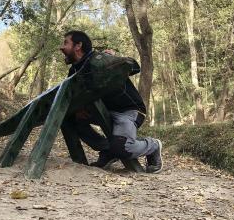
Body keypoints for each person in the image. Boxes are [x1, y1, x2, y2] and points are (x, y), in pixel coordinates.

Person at [59, 30, 163, 173]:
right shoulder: (73, 71)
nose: (62, 47)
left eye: (66, 43)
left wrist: (113, 61)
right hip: (102, 111)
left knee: (122, 148)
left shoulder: (99, 59)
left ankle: (153, 146)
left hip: (129, 111)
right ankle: (107, 150)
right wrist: (78, 109)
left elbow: (134, 66)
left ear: (78, 46)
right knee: (68, 118)